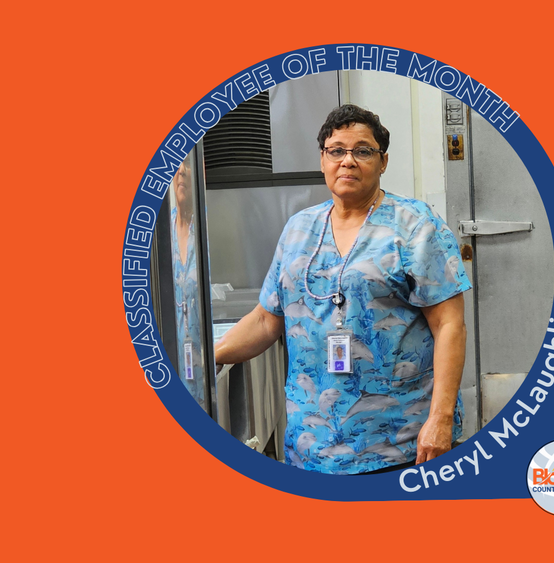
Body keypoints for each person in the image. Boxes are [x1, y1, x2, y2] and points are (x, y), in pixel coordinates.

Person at [214, 104, 471, 474]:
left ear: (382, 162)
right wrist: (210, 358)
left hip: (399, 443)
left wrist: (441, 419)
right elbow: (266, 319)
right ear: (323, 160)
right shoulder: (299, 229)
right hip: (312, 446)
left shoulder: (415, 226)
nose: (347, 161)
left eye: (362, 151)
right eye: (336, 150)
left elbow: (450, 325)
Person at [171, 158, 207, 413]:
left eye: (188, 163)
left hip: (206, 371)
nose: (181, 170)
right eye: (177, 164)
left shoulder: (207, 229)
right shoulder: (160, 233)